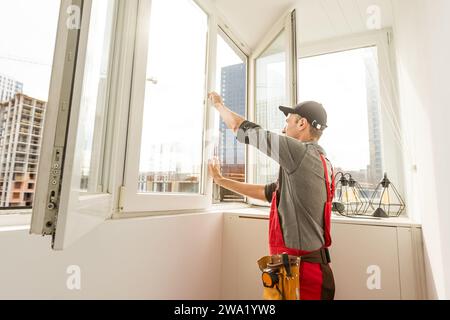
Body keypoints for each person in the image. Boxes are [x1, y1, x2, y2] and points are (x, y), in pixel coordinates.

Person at [208, 92, 336, 300]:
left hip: (304, 277)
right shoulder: (321, 162)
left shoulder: (300, 153)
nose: (284, 129)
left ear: (302, 123)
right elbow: (269, 193)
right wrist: (222, 182)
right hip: (301, 270)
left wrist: (219, 105)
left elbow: (244, 129)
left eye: (288, 122)